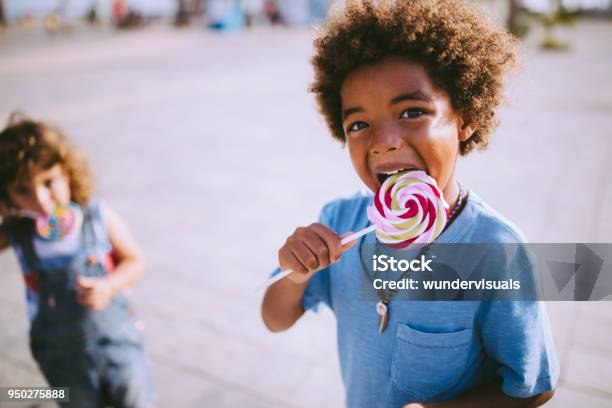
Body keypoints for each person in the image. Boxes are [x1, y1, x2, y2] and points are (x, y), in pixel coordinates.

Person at [261, 1, 559, 407]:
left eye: (412, 112)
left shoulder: (496, 251)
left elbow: (535, 387)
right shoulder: (338, 223)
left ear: (465, 119)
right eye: (359, 124)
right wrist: (294, 275)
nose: (384, 140)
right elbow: (274, 319)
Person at [0, 115, 155, 408]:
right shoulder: (17, 231)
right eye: (23, 190)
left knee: (137, 399)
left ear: (68, 171)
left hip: (117, 343)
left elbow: (136, 260)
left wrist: (108, 286)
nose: (41, 199)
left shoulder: (95, 216)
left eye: (48, 182)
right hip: (61, 355)